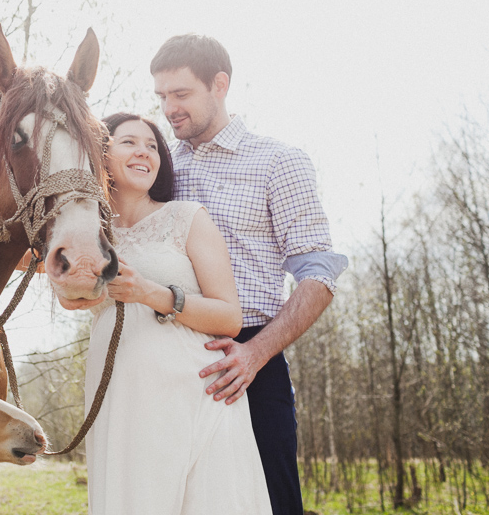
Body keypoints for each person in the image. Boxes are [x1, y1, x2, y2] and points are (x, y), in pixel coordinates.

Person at [150, 34, 348, 515]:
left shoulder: (279, 162)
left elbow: (318, 275)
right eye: (161, 97)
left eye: (181, 95)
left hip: (250, 361)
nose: (169, 109)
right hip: (164, 357)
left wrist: (256, 353)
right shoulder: (158, 165)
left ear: (220, 84)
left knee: (270, 504)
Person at [83, 112, 273, 514]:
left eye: (152, 145)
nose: (144, 152)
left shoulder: (186, 217)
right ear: (101, 155)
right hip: (120, 399)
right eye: (129, 142)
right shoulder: (86, 234)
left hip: (195, 393)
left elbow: (229, 317)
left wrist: (150, 293)